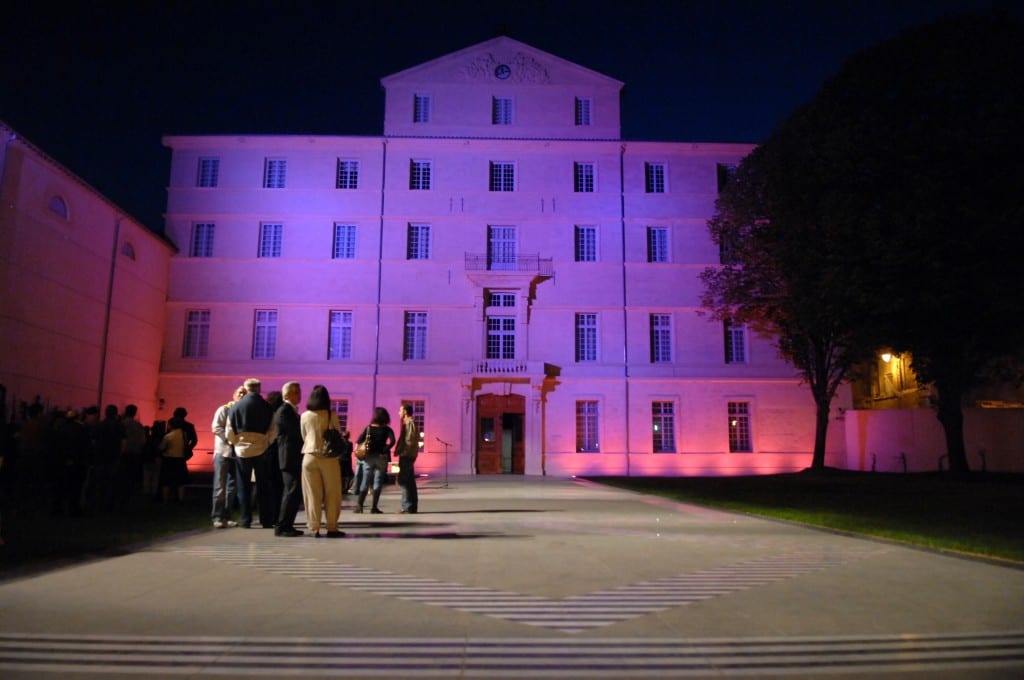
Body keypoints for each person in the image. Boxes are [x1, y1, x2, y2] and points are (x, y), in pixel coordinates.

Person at [227, 378, 275, 528]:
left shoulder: (235, 407)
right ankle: (265, 519)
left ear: (246, 389)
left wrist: (234, 442)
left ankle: (245, 519)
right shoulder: (267, 406)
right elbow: (273, 429)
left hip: (241, 447)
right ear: (259, 389)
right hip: (261, 446)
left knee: (243, 484)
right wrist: (267, 442)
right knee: (263, 485)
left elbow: (229, 430)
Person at [300, 385, 344, 537]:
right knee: (332, 493)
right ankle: (332, 527)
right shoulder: (332, 415)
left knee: (312, 494)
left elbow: (303, 435)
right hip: (329, 458)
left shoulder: (305, 416)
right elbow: (337, 433)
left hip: (309, 456)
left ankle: (314, 527)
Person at [211, 386, 245, 528]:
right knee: (220, 486)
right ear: (234, 395)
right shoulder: (224, 409)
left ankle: (227, 515)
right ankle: (217, 516)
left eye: (244, 393)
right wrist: (229, 439)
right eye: (240, 393)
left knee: (232, 487)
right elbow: (216, 428)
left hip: (236, 453)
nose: (242, 395)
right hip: (223, 452)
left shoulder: (243, 412)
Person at [273, 381, 303, 536]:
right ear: (287, 394)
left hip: (293, 456)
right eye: (296, 392)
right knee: (291, 491)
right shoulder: (284, 411)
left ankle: (287, 524)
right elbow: (293, 434)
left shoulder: (291, 411)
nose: (300, 394)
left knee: (293, 491)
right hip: (289, 457)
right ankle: (282, 525)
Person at [354, 406, 395, 514]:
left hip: (369, 457)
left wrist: (358, 451)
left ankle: (360, 506)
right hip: (381, 458)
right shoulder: (387, 429)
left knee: (365, 481)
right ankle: (374, 507)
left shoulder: (368, 428)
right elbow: (392, 441)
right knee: (378, 481)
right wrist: (384, 450)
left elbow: (358, 441)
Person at [258, 391, 285, 528]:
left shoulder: (263, 414)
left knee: (265, 487)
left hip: (264, 451)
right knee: (277, 487)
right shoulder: (281, 415)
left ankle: (265, 517)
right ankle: (275, 517)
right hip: (277, 453)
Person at [395, 403, 420, 514]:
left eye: (400, 410)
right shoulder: (408, 423)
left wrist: (404, 453)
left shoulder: (409, 423)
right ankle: (411, 506)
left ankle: (407, 506)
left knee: (404, 481)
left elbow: (409, 440)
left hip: (407, 455)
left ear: (405, 411)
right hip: (409, 455)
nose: (399, 413)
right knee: (409, 481)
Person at [159, 416, 189, 504]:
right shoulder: (184, 435)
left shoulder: (168, 436)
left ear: (171, 425)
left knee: (166, 481)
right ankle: (181, 499)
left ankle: (165, 500)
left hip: (169, 460)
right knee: (180, 482)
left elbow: (162, 447)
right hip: (180, 460)